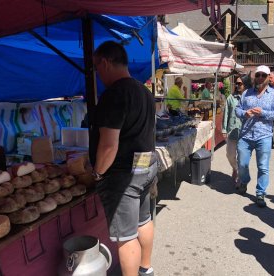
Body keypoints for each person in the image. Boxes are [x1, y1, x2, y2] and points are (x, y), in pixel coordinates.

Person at [90, 41, 157, 276]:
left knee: (125, 237)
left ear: (105, 63)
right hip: (145, 165)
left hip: (122, 174)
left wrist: (97, 173)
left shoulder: (114, 94)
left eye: (97, 68)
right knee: (143, 220)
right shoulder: (144, 91)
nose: (97, 75)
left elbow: (109, 145)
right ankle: (146, 269)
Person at [235, 65, 274, 207]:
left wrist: (263, 113)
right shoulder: (247, 93)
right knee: (242, 164)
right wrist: (244, 113)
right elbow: (238, 109)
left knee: (263, 167)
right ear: (255, 77)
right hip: (246, 135)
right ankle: (244, 180)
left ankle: (260, 193)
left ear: (268, 78)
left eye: (263, 75)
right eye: (258, 75)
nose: (260, 77)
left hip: (264, 136)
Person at [221, 76, 248, 186]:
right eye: (236, 83)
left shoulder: (248, 98)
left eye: (240, 83)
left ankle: (240, 180)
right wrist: (224, 129)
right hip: (232, 131)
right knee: (230, 155)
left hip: (244, 133)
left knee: (242, 156)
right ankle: (235, 168)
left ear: (245, 85)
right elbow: (226, 114)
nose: (237, 85)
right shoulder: (230, 98)